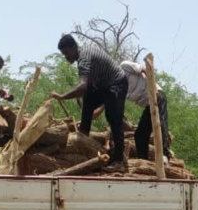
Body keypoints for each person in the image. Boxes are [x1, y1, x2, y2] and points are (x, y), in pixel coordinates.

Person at [50, 35, 128, 163]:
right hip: (104, 86)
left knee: (113, 117)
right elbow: (88, 86)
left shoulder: (84, 59)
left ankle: (118, 158)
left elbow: (82, 86)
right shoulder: (84, 53)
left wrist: (62, 97)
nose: (66, 57)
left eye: (66, 53)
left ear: (73, 47)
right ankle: (83, 137)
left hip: (117, 82)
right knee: (88, 99)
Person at [92, 60, 171, 160]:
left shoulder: (125, 66)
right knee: (140, 135)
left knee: (160, 123)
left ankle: (165, 154)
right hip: (148, 105)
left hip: (157, 95)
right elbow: (99, 110)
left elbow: (146, 70)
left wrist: (154, 91)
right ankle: (143, 161)